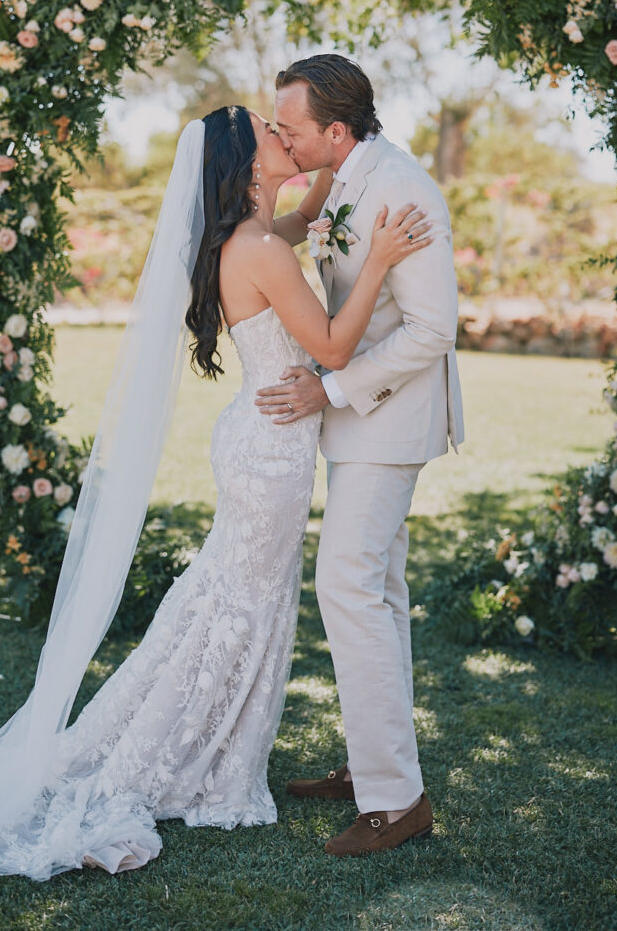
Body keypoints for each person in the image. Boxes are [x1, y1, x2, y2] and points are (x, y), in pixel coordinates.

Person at [0, 104, 430, 879]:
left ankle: (197, 743)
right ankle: (177, 758)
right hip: (271, 447)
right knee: (236, 606)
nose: (281, 134)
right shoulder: (257, 247)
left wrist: (329, 170)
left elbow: (299, 220)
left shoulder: (251, 237)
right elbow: (330, 345)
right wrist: (384, 258)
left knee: (226, 600)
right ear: (243, 163)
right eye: (269, 131)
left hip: (260, 437)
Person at [255, 54, 464, 857]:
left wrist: (331, 391)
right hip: (360, 422)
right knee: (374, 586)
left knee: (345, 581)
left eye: (291, 128)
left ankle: (394, 799)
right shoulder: (340, 177)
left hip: (388, 420)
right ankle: (374, 765)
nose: (281, 135)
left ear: (336, 131)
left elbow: (432, 331)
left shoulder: (403, 188)